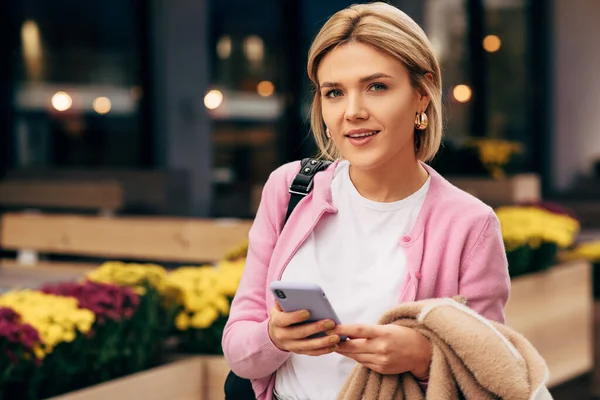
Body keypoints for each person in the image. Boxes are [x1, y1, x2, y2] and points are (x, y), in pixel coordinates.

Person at [222, 2, 510, 400]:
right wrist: (273, 337)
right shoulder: (289, 188)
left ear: (421, 94)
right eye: (334, 93)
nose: (353, 112)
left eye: (377, 86)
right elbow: (239, 351)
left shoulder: (470, 224)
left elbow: (491, 376)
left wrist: (422, 357)